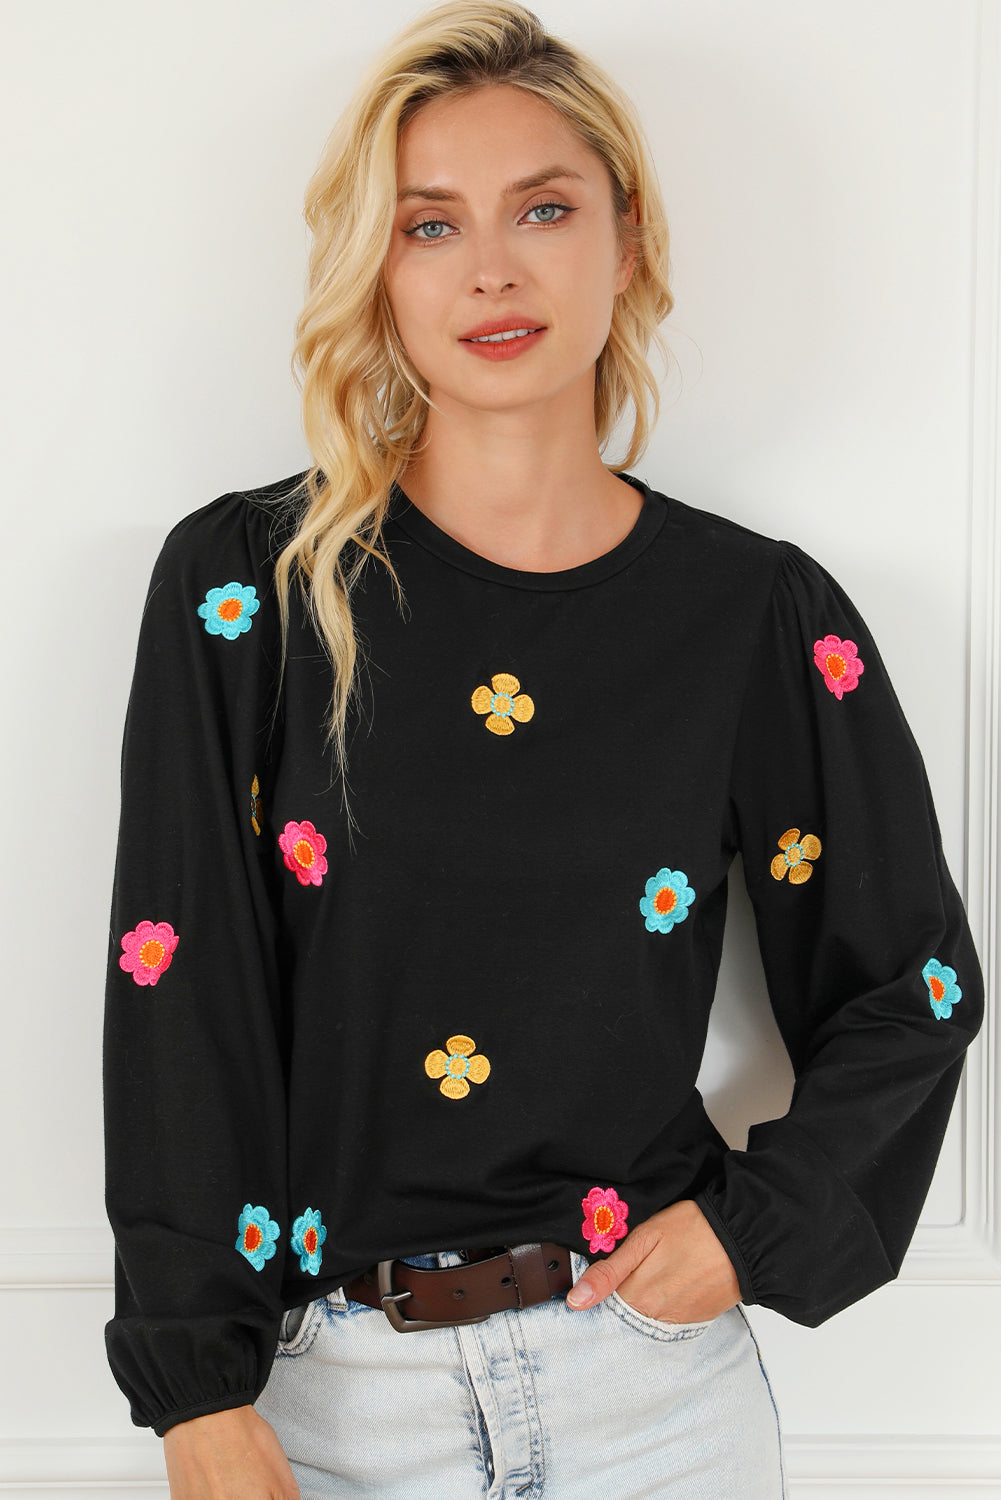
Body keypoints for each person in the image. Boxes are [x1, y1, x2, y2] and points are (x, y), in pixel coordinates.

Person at [101, 2, 984, 1496]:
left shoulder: (750, 614)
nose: (492, 270)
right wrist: (196, 1390)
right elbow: (180, 993)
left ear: (627, 241)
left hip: (656, 1396)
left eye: (545, 210)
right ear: (377, 269)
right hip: (326, 1405)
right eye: (429, 225)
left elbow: (914, 984)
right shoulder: (249, 589)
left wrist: (751, 1232)